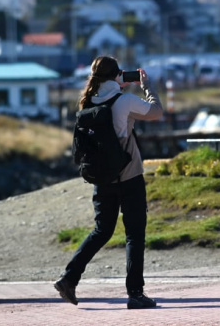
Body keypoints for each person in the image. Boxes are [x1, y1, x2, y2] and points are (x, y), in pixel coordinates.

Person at [54, 55, 163, 310]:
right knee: (134, 234)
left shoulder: (88, 101)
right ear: (117, 76)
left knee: (102, 230)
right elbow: (156, 112)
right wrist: (148, 88)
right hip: (129, 175)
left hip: (102, 178)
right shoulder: (124, 101)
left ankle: (69, 279)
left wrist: (117, 84)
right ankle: (135, 294)